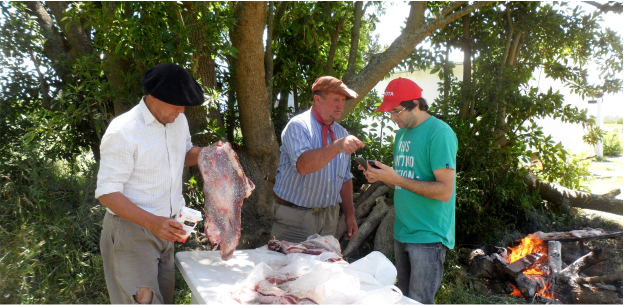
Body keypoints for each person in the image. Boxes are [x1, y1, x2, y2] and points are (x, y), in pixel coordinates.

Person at [95, 63, 205, 305]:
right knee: (142, 301)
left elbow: (184, 154)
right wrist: (153, 223)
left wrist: (208, 154)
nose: (182, 111)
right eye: (177, 103)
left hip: (168, 227)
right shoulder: (123, 131)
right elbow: (107, 193)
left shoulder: (178, 121)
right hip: (132, 229)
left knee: (163, 299)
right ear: (154, 97)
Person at [359, 78, 458, 305]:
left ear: (415, 104)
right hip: (402, 231)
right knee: (402, 300)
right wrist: (382, 177)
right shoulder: (401, 135)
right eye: (390, 113)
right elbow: (404, 183)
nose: (393, 118)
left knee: (419, 301)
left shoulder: (440, 133)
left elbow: (445, 191)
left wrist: (396, 178)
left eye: (397, 111)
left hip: (428, 235)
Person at [271, 76, 365, 243]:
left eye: (343, 100)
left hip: (329, 218)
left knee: (323, 268)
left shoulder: (341, 133)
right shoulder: (298, 126)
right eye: (336, 99)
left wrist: (350, 215)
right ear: (317, 99)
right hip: (295, 218)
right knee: (287, 267)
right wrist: (336, 147)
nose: (341, 105)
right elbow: (303, 166)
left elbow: (345, 178)